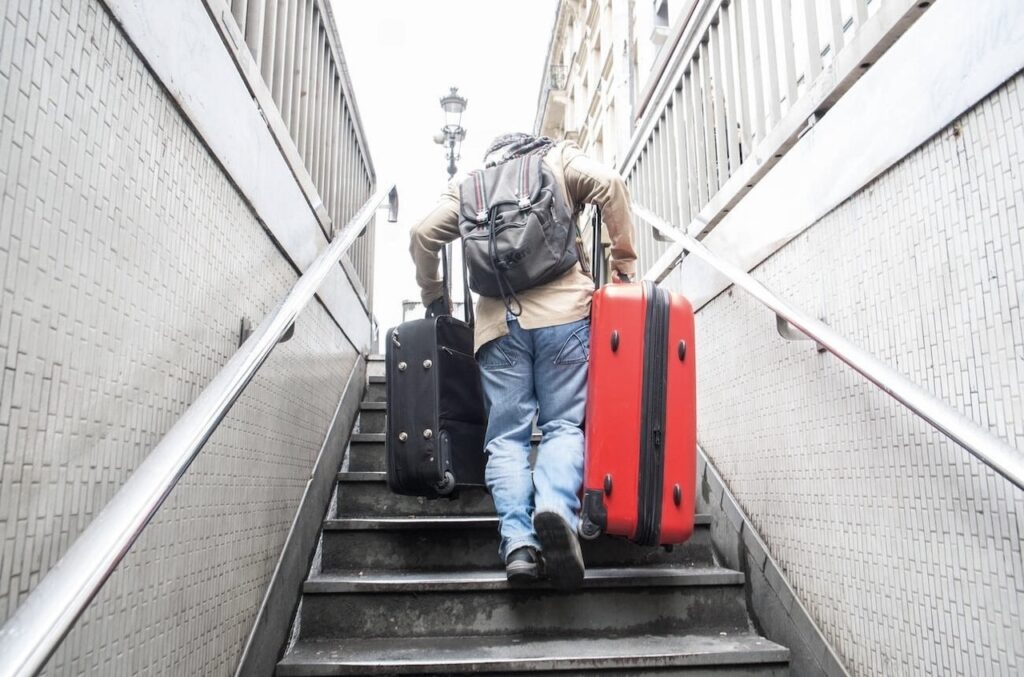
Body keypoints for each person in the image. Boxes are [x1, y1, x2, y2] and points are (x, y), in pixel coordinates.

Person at [409, 132, 637, 589]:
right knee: (563, 427)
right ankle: (555, 507)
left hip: (498, 326)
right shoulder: (557, 159)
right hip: (566, 317)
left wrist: (435, 297)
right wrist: (624, 267)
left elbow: (421, 234)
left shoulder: (472, 184)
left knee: (507, 439)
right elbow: (611, 183)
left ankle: (518, 544)